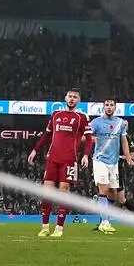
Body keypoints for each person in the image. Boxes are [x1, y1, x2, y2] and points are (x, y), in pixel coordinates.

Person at [27, 88, 91, 238]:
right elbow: (47, 135)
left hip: (69, 160)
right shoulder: (56, 114)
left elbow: (88, 138)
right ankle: (44, 227)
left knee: (64, 193)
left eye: (75, 97)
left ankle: (59, 229)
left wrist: (86, 155)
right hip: (52, 158)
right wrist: (35, 150)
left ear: (78, 101)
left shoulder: (81, 117)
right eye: (70, 96)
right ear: (65, 98)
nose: (72, 99)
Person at [87, 99, 131, 234]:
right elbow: (86, 137)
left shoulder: (120, 123)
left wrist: (128, 156)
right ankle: (104, 222)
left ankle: (105, 221)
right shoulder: (96, 122)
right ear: (103, 107)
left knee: (112, 192)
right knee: (103, 189)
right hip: (100, 160)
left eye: (112, 105)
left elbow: (123, 140)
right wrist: (92, 139)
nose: (109, 107)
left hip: (114, 162)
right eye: (107, 105)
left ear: (115, 107)